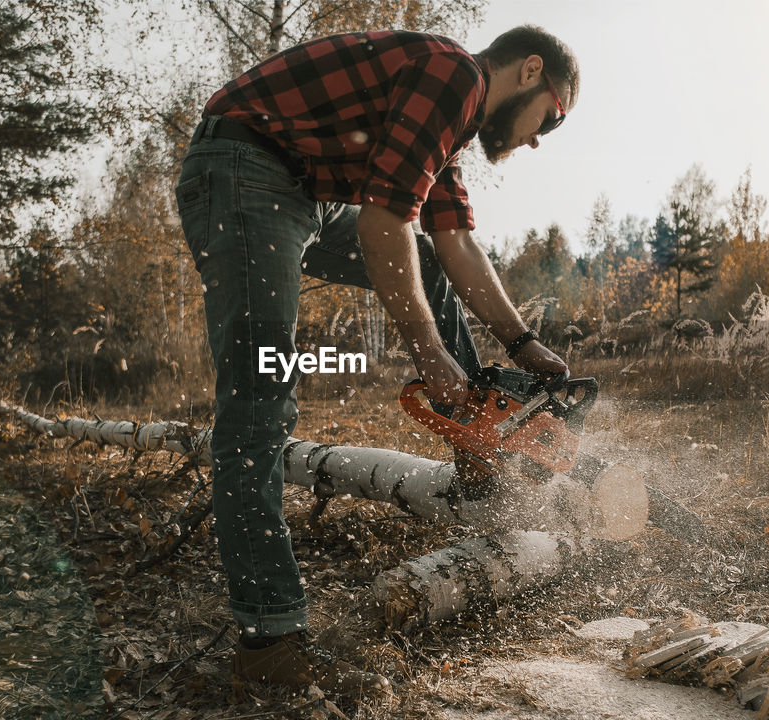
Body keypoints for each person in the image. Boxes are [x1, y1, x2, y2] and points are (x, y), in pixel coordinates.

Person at [174, 24, 579, 696]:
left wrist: (520, 342)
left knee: (427, 262)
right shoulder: (456, 76)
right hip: (245, 171)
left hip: (294, 185)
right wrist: (427, 350)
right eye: (552, 121)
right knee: (261, 397)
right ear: (530, 71)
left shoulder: (448, 121)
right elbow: (382, 221)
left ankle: (481, 438)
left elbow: (453, 243)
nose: (538, 137)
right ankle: (270, 644)